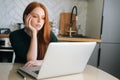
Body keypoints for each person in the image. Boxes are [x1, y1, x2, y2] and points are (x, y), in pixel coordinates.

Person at [9, 1, 58, 67]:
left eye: (43, 18)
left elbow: (59, 56)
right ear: (26, 17)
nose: (40, 21)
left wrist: (41, 62)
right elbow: (31, 61)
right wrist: (34, 33)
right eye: (35, 16)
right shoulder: (15, 35)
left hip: (41, 73)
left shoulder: (48, 34)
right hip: (20, 72)